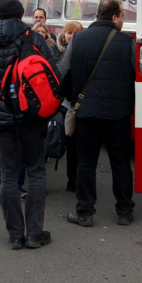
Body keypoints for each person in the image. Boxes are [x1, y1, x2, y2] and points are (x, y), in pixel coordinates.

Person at [0, 0, 57, 250]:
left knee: (8, 175)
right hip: (32, 117)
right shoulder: (34, 37)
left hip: (1, 119)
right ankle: (34, 234)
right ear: (21, 15)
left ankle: (15, 236)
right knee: (36, 172)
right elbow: (54, 76)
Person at [61, 0, 135, 227]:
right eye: (122, 15)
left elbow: (62, 69)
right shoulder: (127, 42)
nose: (123, 20)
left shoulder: (79, 39)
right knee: (121, 163)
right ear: (114, 17)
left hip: (87, 112)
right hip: (118, 113)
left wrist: (70, 96)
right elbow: (136, 74)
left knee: (86, 163)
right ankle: (124, 211)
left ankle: (85, 212)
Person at [56, 21, 84, 192]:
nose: (71, 36)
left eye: (75, 33)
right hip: (65, 104)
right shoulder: (57, 51)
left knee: (78, 144)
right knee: (70, 143)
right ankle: (71, 178)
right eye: (69, 33)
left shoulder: (79, 52)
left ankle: (76, 177)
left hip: (77, 102)